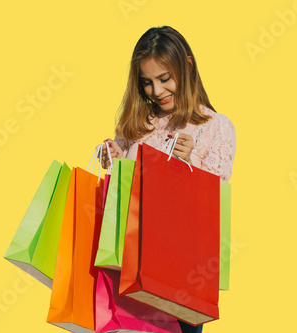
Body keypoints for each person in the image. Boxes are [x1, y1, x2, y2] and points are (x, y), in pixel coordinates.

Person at [100, 26, 236, 333]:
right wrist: (113, 160)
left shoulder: (216, 126)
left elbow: (213, 203)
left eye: (165, 79)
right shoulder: (136, 125)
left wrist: (187, 167)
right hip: (126, 267)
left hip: (177, 275)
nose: (157, 91)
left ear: (187, 66)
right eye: (147, 82)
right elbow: (123, 197)